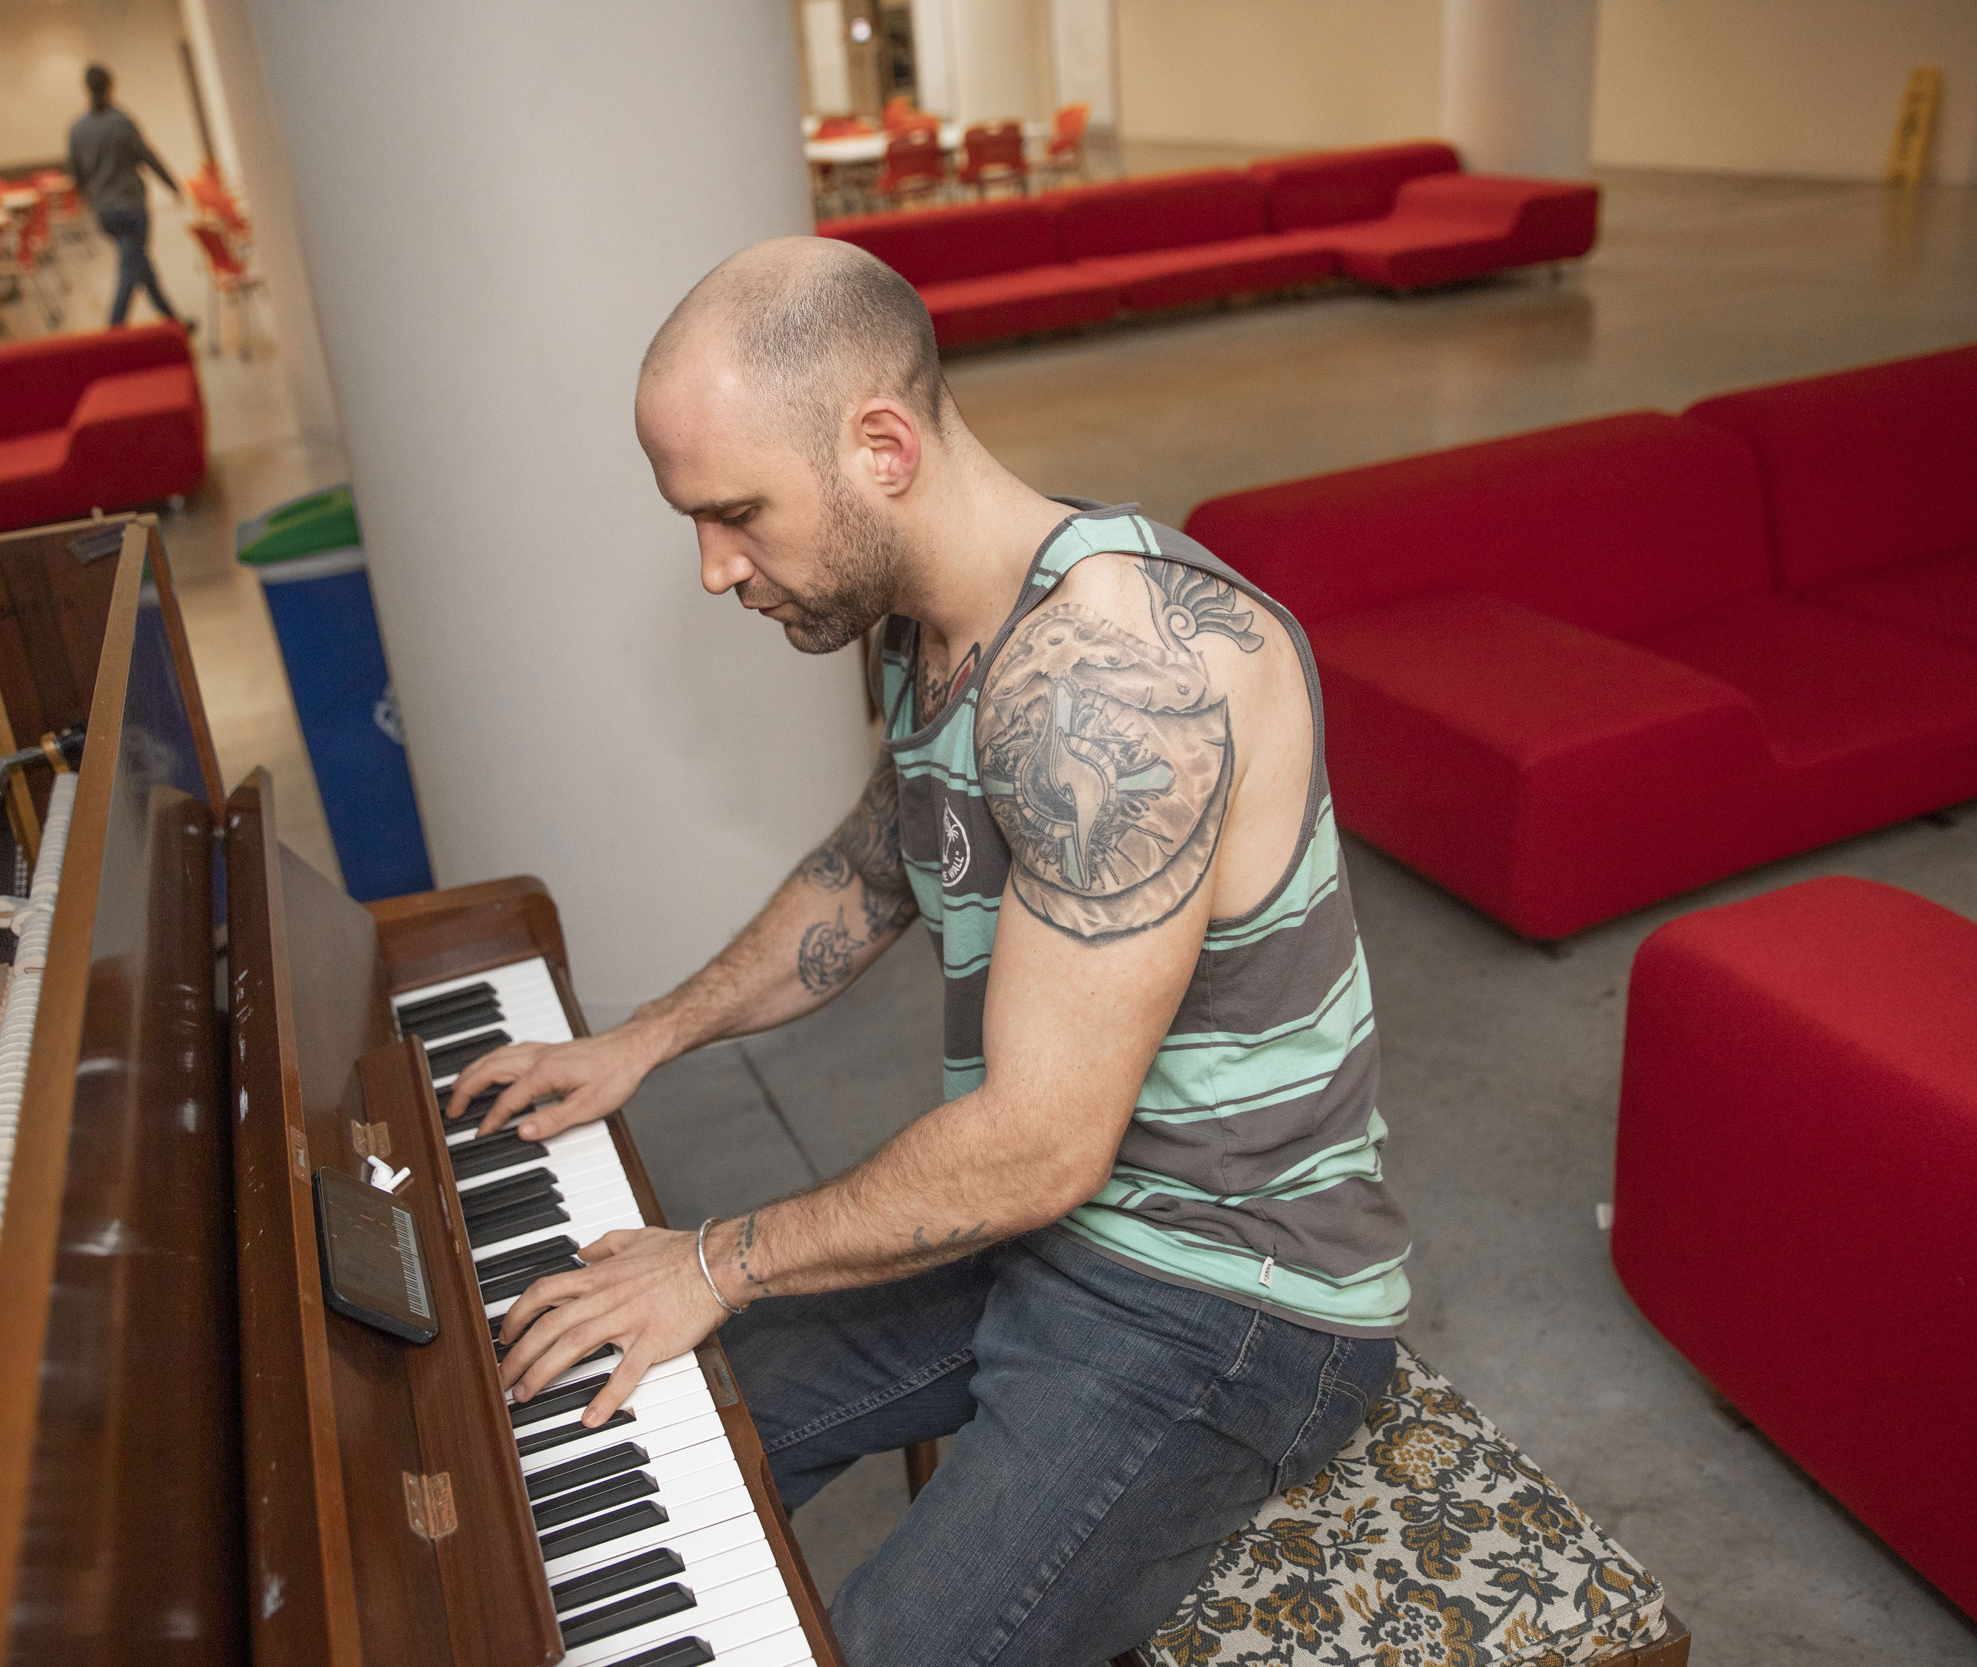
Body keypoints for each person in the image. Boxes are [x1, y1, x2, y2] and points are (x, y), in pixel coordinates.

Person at [452, 237, 1411, 1667]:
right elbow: (873, 869)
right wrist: (637, 1038)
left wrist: (717, 1257)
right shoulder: (936, 623)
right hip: (1041, 1227)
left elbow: (1035, 1145)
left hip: (1225, 1293)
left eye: (736, 514)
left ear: (881, 446)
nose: (714, 568)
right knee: (617, 1422)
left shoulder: (1116, 676)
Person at [66, 64, 191, 331]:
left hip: (105, 211)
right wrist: (173, 185)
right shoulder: (121, 121)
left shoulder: (77, 129)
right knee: (129, 269)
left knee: (140, 265)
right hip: (131, 208)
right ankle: (114, 332)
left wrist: (89, 201)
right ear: (111, 86)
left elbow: (75, 174)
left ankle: (174, 323)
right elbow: (146, 155)